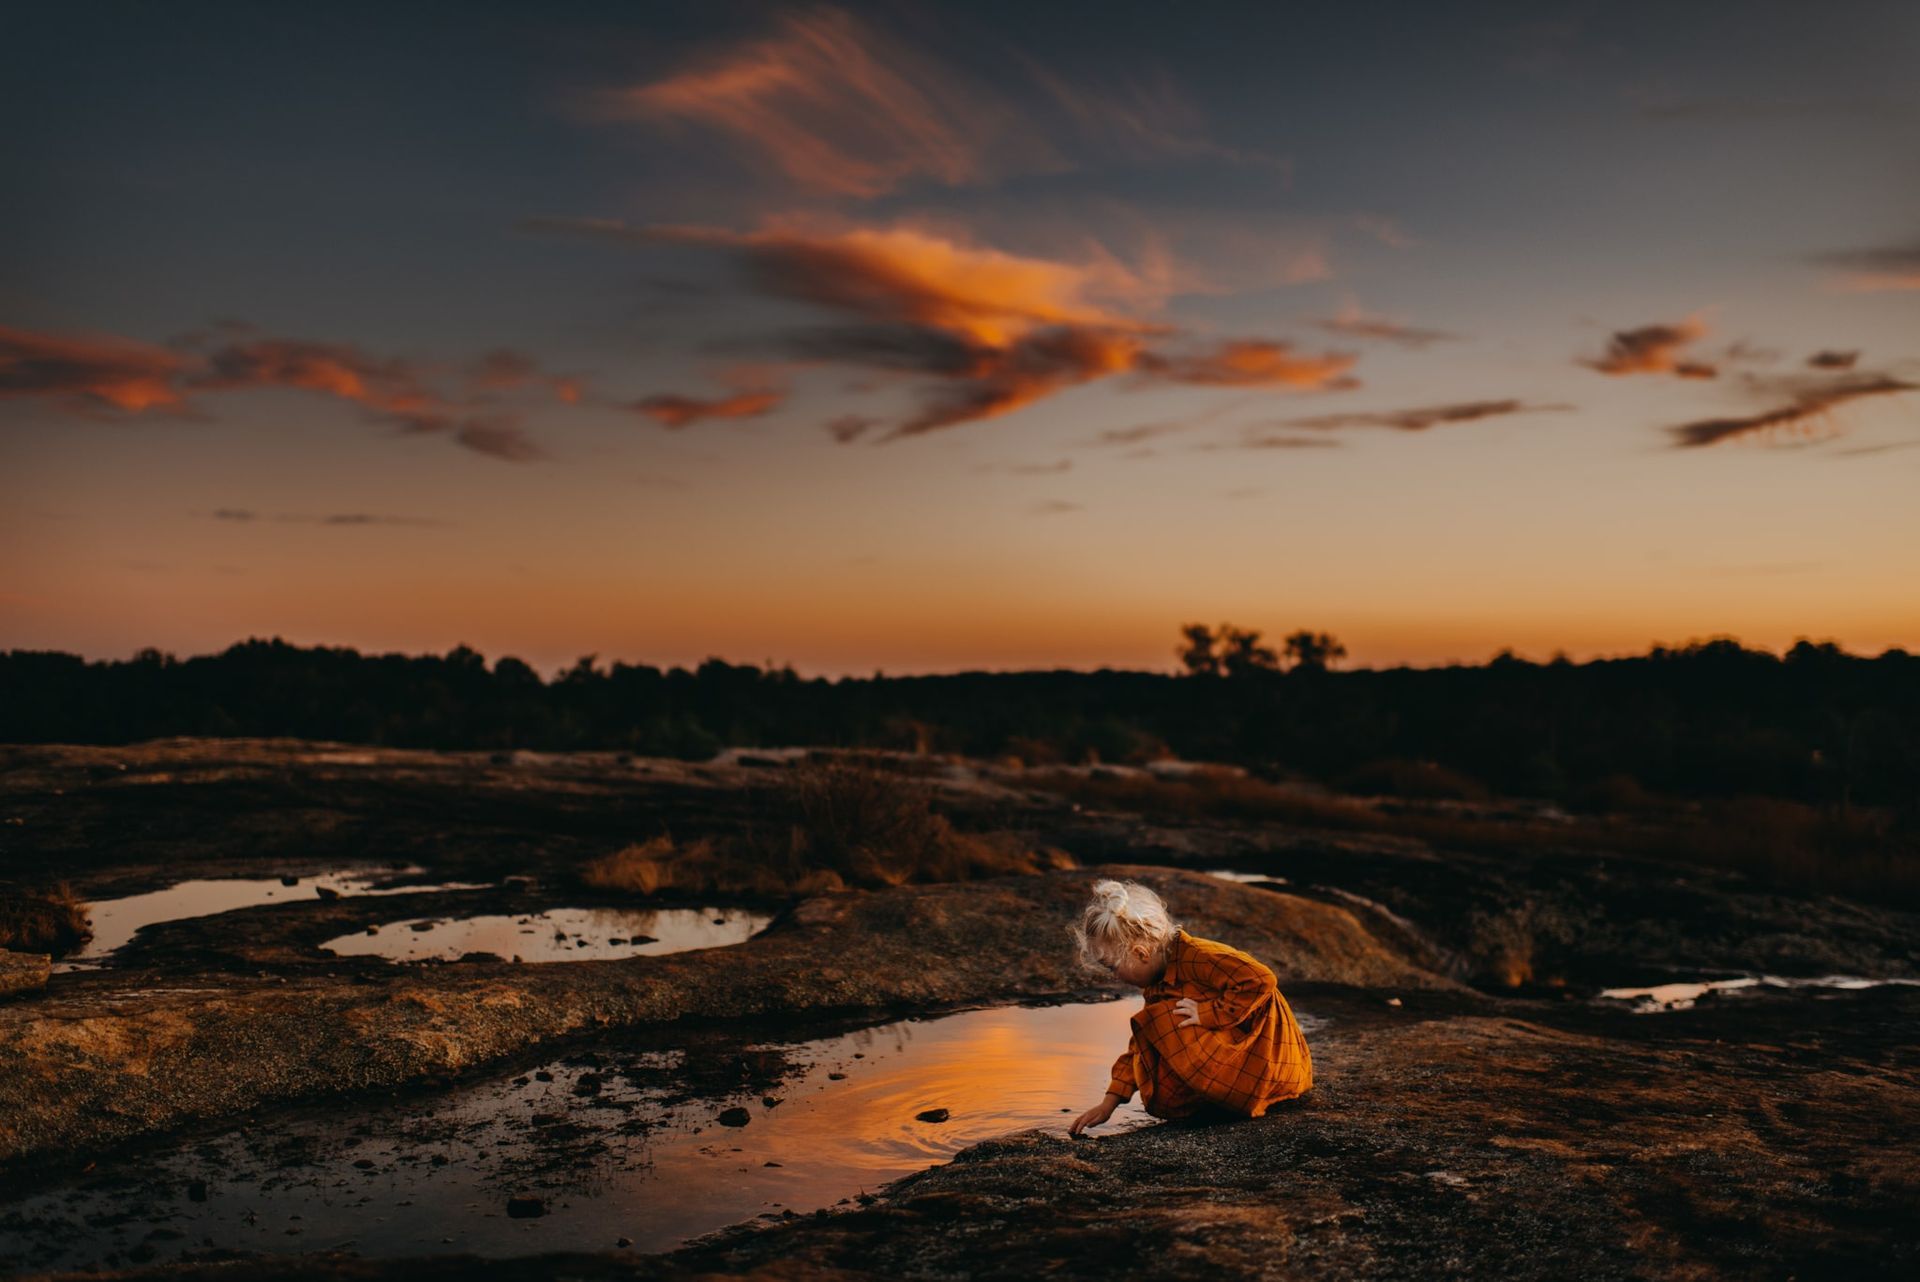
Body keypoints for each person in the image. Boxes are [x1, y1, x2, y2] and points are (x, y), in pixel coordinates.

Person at [1067, 878, 1313, 1137]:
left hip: (1269, 1060)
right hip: (1238, 1056)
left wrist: (1208, 1013)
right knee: (1157, 1025)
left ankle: (1243, 1092)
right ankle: (1216, 1099)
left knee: (1167, 1018)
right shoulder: (1159, 980)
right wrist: (1110, 1101)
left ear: (1141, 953)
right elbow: (1142, 1042)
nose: (1114, 976)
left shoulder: (1197, 955)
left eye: (1113, 967)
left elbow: (1261, 979)